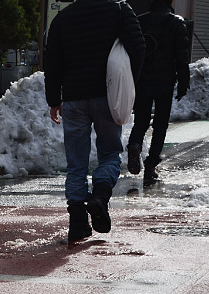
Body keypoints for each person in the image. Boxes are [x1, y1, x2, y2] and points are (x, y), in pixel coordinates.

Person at [44, 0, 144, 243]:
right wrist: (131, 85)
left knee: (76, 164)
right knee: (110, 153)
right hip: (107, 97)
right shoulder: (119, 10)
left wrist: (54, 99)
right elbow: (139, 47)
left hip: (75, 100)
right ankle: (99, 197)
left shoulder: (63, 18)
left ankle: (77, 223)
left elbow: (53, 61)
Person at [126, 0, 190, 187]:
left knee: (141, 120)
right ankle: (151, 166)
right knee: (161, 124)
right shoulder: (176, 23)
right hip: (165, 80)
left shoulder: (139, 21)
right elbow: (182, 56)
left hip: (142, 79)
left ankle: (135, 144)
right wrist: (183, 82)